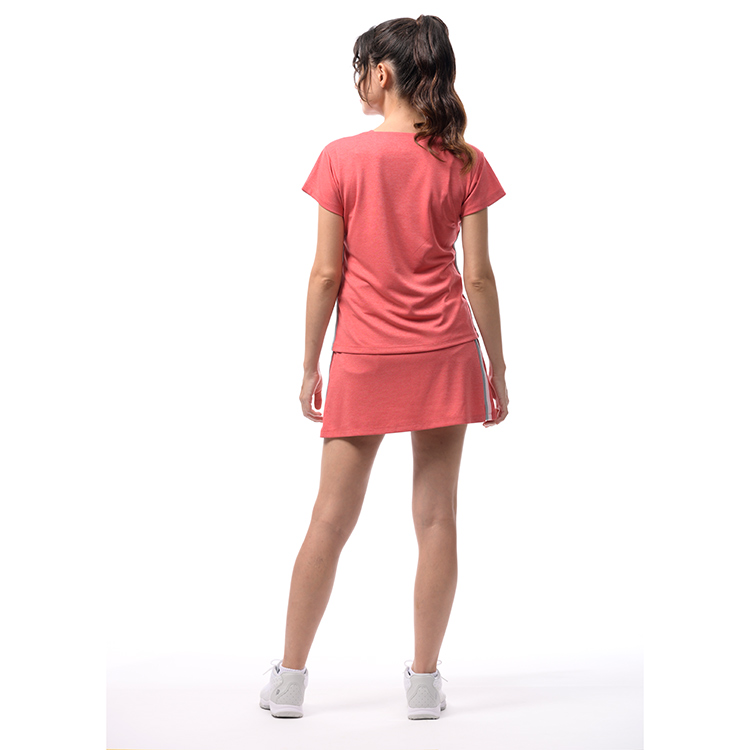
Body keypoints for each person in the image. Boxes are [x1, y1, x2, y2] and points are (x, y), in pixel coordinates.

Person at [259, 14, 509, 720]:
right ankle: (425, 685)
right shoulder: (465, 160)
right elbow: (479, 277)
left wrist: (310, 363)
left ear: (382, 72)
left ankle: (288, 681)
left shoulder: (341, 158)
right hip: (445, 355)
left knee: (329, 520)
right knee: (437, 519)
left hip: (365, 359)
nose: (358, 83)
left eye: (360, 70)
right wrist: (496, 367)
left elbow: (325, 273)